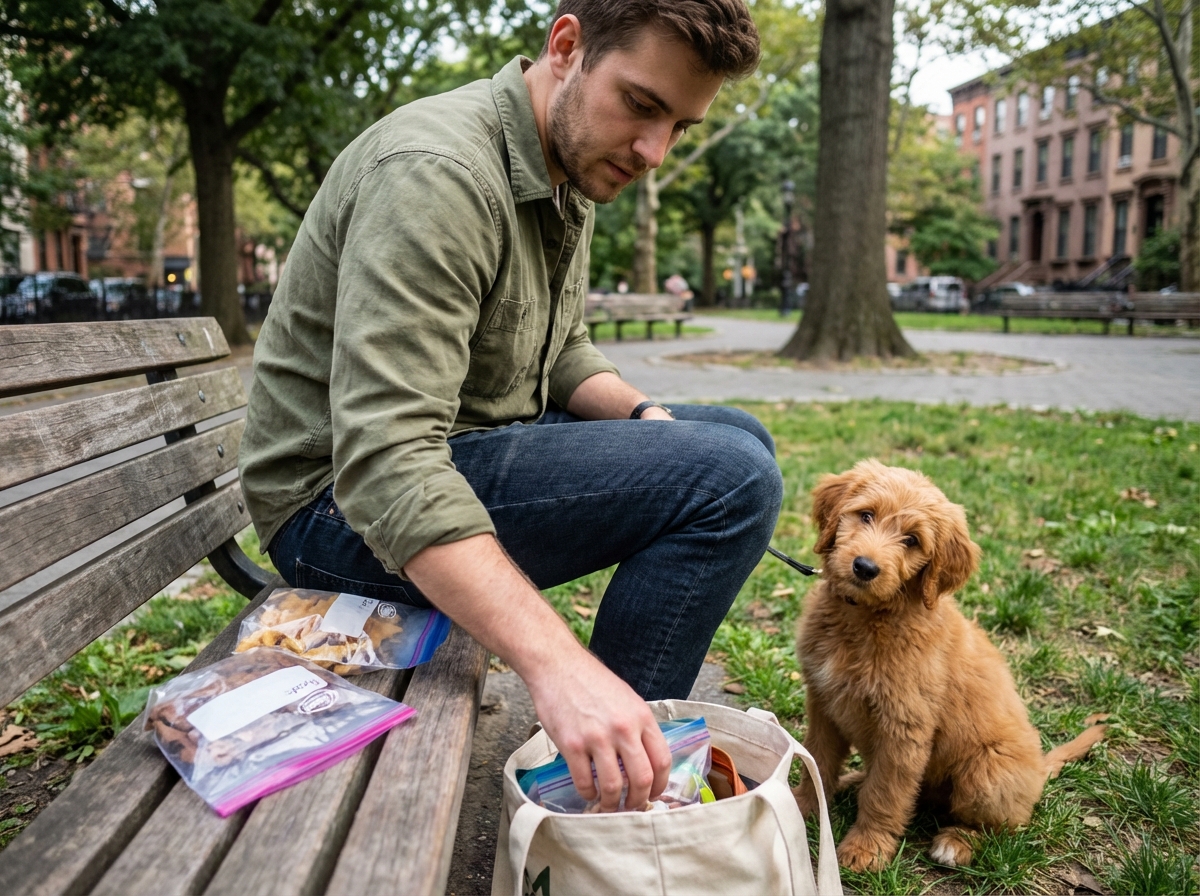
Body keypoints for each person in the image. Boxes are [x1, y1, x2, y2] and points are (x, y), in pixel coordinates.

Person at [240, 0, 778, 815]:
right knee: (731, 477)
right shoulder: (438, 174)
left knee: (733, 439)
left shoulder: (568, 166)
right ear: (567, 46)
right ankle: (613, 780)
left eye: (680, 126)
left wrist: (648, 425)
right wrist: (560, 668)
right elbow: (388, 464)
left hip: (467, 446)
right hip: (335, 515)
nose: (654, 152)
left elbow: (562, 350)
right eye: (641, 105)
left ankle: (617, 753)